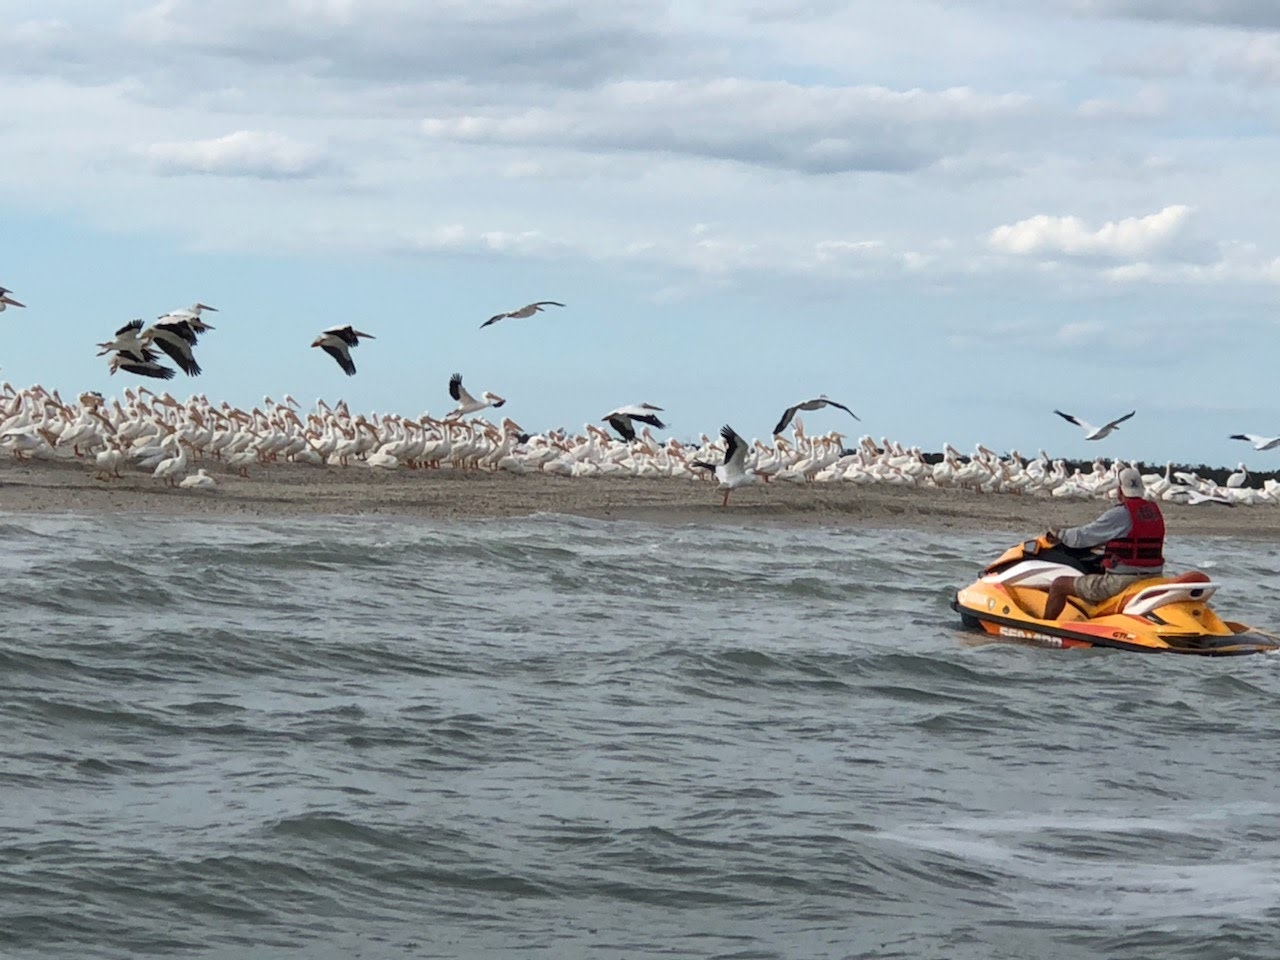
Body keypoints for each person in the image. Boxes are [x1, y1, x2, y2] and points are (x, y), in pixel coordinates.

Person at [1042, 466, 1165, 620]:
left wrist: (1060, 534)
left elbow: (1084, 536)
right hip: (1154, 575)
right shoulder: (1154, 510)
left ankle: (1047, 629)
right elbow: (1134, 538)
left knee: (1059, 585)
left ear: (1120, 490)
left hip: (1123, 581)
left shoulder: (1120, 513)